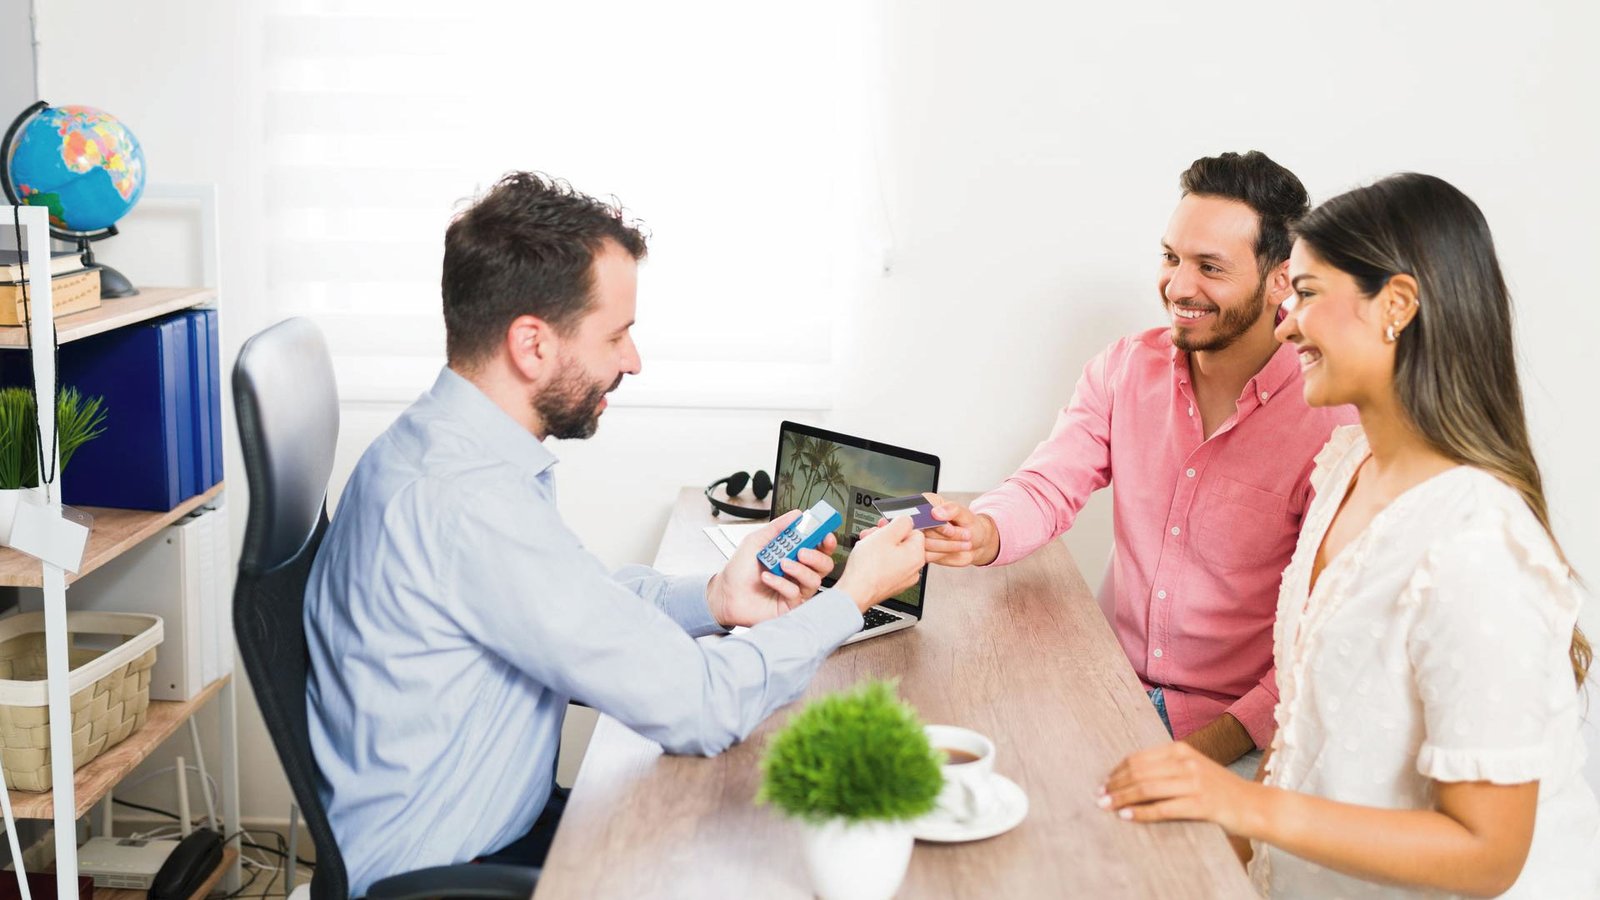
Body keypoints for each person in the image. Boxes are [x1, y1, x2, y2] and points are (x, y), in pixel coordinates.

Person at [303, 172, 928, 895]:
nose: (633, 359)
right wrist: (850, 599)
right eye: (617, 334)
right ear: (531, 345)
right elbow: (700, 707)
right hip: (454, 876)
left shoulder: (445, 448)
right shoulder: (465, 504)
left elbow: (582, 596)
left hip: (492, 831)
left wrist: (720, 597)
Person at [1099, 173, 1600, 896]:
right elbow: (1298, 731)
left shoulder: (1478, 545)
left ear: (1396, 306)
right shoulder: (1345, 466)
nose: (1284, 323)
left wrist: (1242, 803)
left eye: (1305, 293)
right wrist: (1218, 860)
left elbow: (1489, 854)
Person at [921, 152, 1354, 773]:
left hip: (1240, 736)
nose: (1178, 287)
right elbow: (1048, 484)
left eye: (1210, 268)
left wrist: (1198, 756)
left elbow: (1316, 639)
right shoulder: (1126, 368)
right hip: (1107, 689)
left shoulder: (1330, 419)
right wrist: (982, 529)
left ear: (1281, 279)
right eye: (1172, 258)